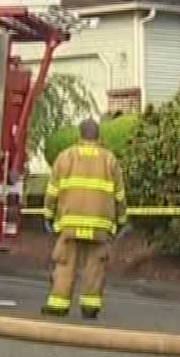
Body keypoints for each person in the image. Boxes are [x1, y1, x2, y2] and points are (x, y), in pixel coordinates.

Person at [42, 118, 128, 320]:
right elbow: (120, 195)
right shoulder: (110, 160)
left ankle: (58, 305)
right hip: (100, 225)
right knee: (95, 266)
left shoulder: (65, 157)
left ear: (80, 135)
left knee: (65, 263)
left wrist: (48, 216)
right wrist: (122, 220)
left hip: (70, 224)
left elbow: (52, 191)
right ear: (99, 136)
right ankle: (90, 307)